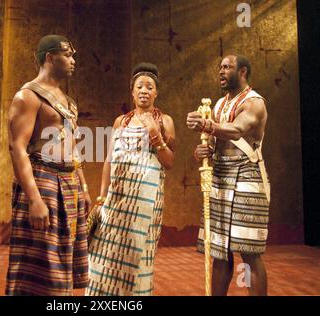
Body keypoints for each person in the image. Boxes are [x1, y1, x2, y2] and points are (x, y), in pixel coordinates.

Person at [6, 34, 91, 296]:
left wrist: (84, 187)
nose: (73, 60)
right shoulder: (28, 96)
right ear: (50, 58)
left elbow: (74, 148)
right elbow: (17, 147)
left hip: (69, 183)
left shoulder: (67, 100)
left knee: (62, 260)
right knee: (40, 261)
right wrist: (34, 199)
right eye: (68, 55)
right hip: (42, 180)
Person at [86, 63, 175, 296]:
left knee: (139, 253)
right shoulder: (120, 122)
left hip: (145, 202)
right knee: (105, 251)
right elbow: (108, 160)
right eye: (139, 86)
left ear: (156, 92)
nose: (144, 90)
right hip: (117, 199)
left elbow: (169, 162)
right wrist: (101, 196)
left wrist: (155, 135)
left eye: (150, 87)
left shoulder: (165, 121)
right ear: (132, 92)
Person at [186, 55, 270, 296]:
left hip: (247, 177)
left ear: (242, 71)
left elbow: (237, 130)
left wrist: (207, 125)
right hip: (221, 178)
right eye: (220, 68)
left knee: (249, 252)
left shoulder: (254, 103)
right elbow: (213, 145)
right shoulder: (220, 105)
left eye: (227, 67)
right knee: (220, 251)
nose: (221, 72)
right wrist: (203, 150)